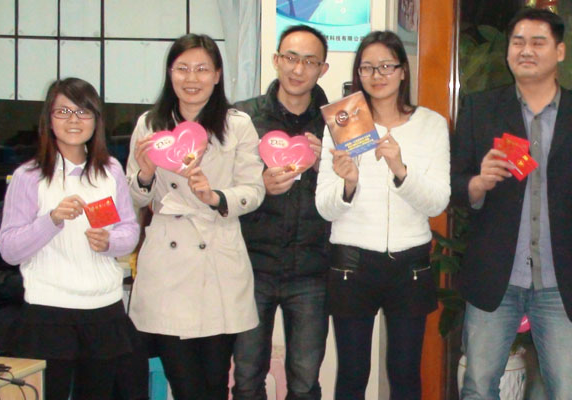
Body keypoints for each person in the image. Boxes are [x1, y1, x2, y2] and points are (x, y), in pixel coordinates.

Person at [451, 7, 572, 399]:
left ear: (560, 51)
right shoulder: (480, 108)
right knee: (478, 386)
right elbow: (454, 184)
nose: (526, 50)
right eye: (518, 42)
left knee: (569, 390)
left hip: (563, 283)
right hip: (495, 279)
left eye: (538, 42)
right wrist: (477, 183)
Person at [126, 33, 265, 400]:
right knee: (185, 384)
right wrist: (145, 174)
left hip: (218, 260)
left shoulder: (237, 124)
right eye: (182, 68)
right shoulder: (149, 124)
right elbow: (133, 197)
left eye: (202, 69)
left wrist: (215, 196)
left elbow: (254, 191)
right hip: (168, 268)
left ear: (217, 75)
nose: (192, 78)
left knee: (215, 383)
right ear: (170, 73)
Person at [315, 31, 450, 399]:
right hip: (352, 263)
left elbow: (437, 203)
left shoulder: (431, 124)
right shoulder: (342, 122)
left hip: (410, 264)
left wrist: (400, 170)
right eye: (367, 67)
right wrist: (348, 184)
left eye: (386, 66)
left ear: (403, 71)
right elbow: (324, 206)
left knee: (405, 373)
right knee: (352, 373)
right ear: (358, 73)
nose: (377, 75)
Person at [0, 77, 144, 400]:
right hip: (48, 313)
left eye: (83, 111)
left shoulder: (110, 171)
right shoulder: (29, 176)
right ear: (48, 119)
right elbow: (9, 250)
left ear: (96, 119)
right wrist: (51, 220)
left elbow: (129, 232)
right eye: (63, 111)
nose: (74, 120)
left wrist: (109, 242)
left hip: (104, 311)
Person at [232, 25, 330, 400]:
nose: (298, 69)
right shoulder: (242, 117)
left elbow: (354, 192)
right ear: (276, 60)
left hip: (312, 269)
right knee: (246, 378)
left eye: (309, 61)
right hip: (252, 265)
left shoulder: (337, 123)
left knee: (305, 382)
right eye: (290, 58)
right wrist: (260, 186)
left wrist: (324, 169)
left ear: (322, 68)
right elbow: (225, 186)